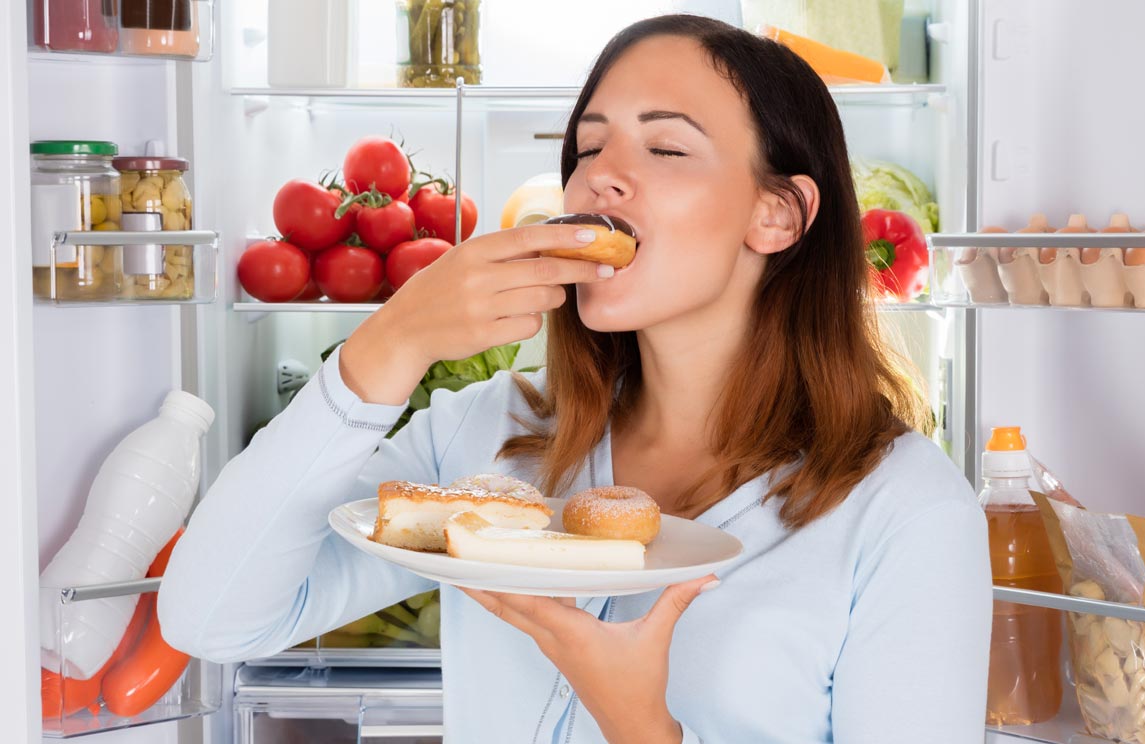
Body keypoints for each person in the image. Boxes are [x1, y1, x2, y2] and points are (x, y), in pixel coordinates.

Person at [160, 14, 991, 743]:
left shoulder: (904, 511)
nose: (600, 175)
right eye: (588, 146)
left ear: (776, 214)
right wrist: (389, 342)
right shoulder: (487, 436)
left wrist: (643, 728)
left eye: (666, 147)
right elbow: (213, 616)